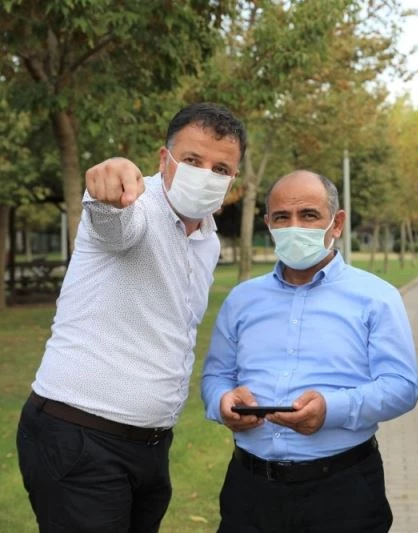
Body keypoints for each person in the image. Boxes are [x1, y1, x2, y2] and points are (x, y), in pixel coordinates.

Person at [16, 102, 246, 532]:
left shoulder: (208, 240)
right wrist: (109, 184)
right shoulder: (136, 205)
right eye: (192, 160)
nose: (206, 175)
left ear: (233, 179)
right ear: (164, 159)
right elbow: (113, 220)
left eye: (221, 169)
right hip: (82, 439)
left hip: (149, 448)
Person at [201, 170, 418, 533]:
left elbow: (402, 387)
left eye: (308, 215)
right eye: (281, 217)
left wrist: (331, 409)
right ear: (268, 224)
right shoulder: (242, 299)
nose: (294, 227)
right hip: (249, 490)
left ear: (337, 223)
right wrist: (222, 401)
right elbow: (215, 375)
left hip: (343, 492)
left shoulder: (377, 297)